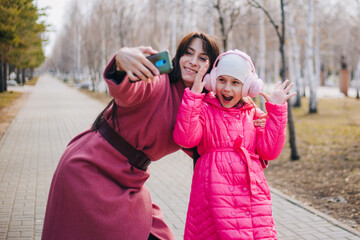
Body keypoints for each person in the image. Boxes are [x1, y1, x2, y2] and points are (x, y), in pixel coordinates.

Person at [41, 31, 220, 240]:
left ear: (212, 67)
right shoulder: (159, 81)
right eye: (188, 54)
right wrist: (121, 62)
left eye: (202, 58)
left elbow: (215, 145)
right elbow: (127, 90)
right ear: (178, 56)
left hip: (130, 180)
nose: (192, 62)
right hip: (91, 169)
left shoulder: (199, 106)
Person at [173, 50, 297, 239]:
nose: (227, 89)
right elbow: (186, 139)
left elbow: (270, 152)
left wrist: (276, 113)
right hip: (215, 197)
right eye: (221, 80)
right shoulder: (205, 109)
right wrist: (194, 96)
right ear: (213, 81)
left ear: (248, 87)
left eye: (235, 82)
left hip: (252, 197)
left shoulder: (253, 113)